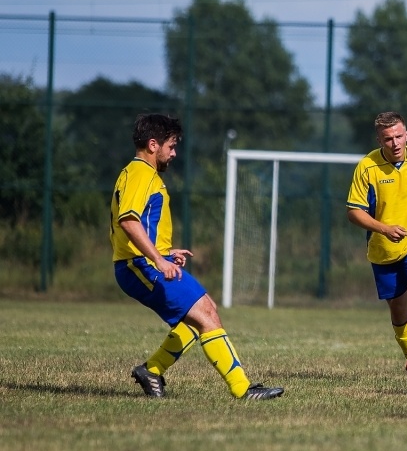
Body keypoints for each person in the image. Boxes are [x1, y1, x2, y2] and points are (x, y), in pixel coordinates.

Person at [111, 113, 284, 400]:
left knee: (198, 318)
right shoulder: (141, 173)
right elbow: (129, 221)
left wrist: (166, 252)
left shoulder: (137, 173)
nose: (174, 153)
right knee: (206, 314)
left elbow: (140, 222)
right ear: (153, 145)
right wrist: (158, 259)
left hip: (142, 262)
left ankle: (151, 370)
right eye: (171, 146)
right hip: (138, 265)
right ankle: (243, 389)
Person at [346, 111, 407, 385]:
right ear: (379, 140)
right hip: (383, 248)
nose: (395, 143)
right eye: (388, 139)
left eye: (399, 136)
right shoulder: (367, 166)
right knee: (399, 309)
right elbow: (354, 212)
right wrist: (384, 229)